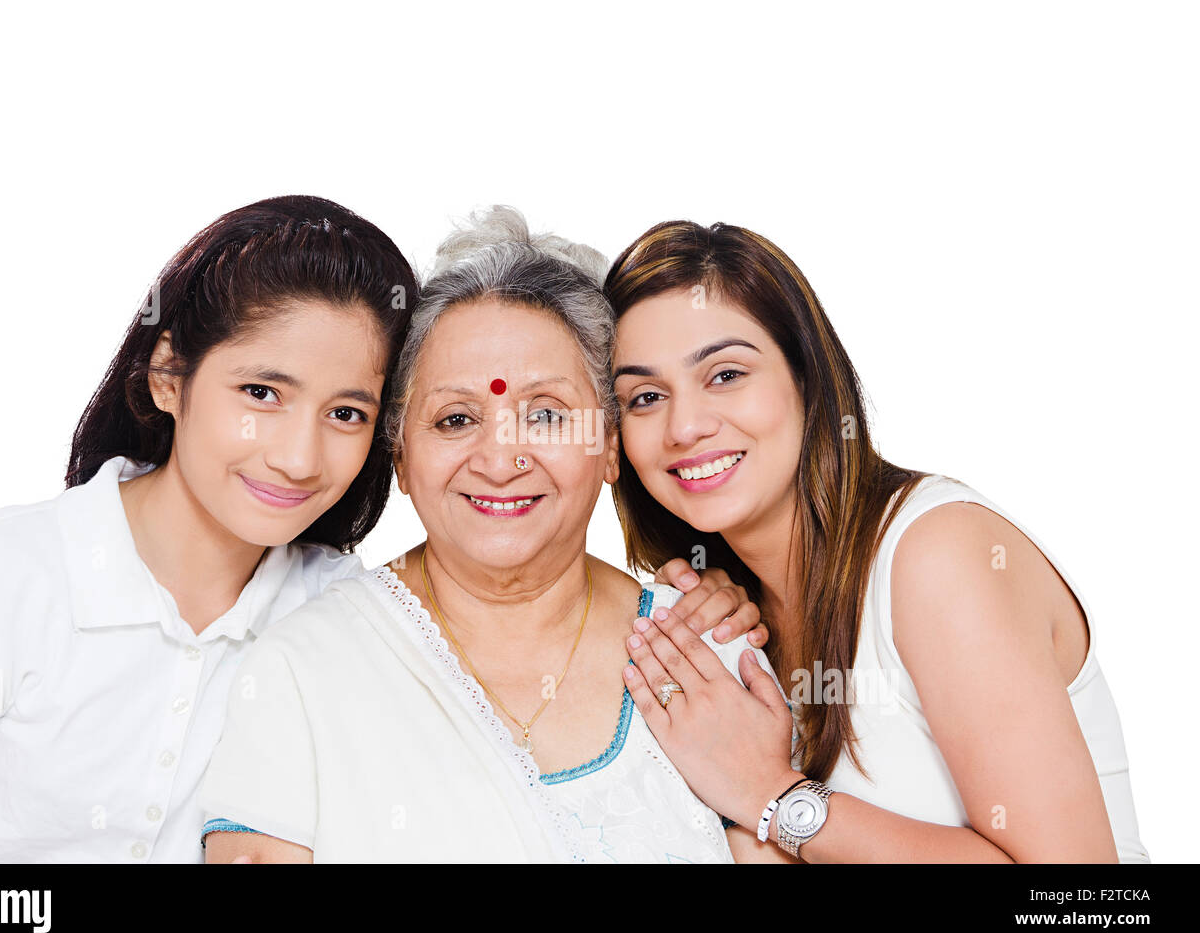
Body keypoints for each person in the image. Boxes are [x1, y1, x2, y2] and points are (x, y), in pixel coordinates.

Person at [199, 207, 775, 863]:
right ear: (401, 459)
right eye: (454, 419)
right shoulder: (303, 670)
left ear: (611, 445)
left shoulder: (708, 656)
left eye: (546, 415)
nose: (501, 461)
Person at [605, 219, 1149, 862]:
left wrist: (771, 798)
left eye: (725, 374)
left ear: (806, 377)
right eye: (644, 397)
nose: (685, 426)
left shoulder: (937, 557)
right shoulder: (722, 619)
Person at [0, 195, 420, 862]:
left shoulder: (350, 616)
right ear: (169, 376)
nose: (298, 457)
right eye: (261, 394)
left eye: (346, 413)